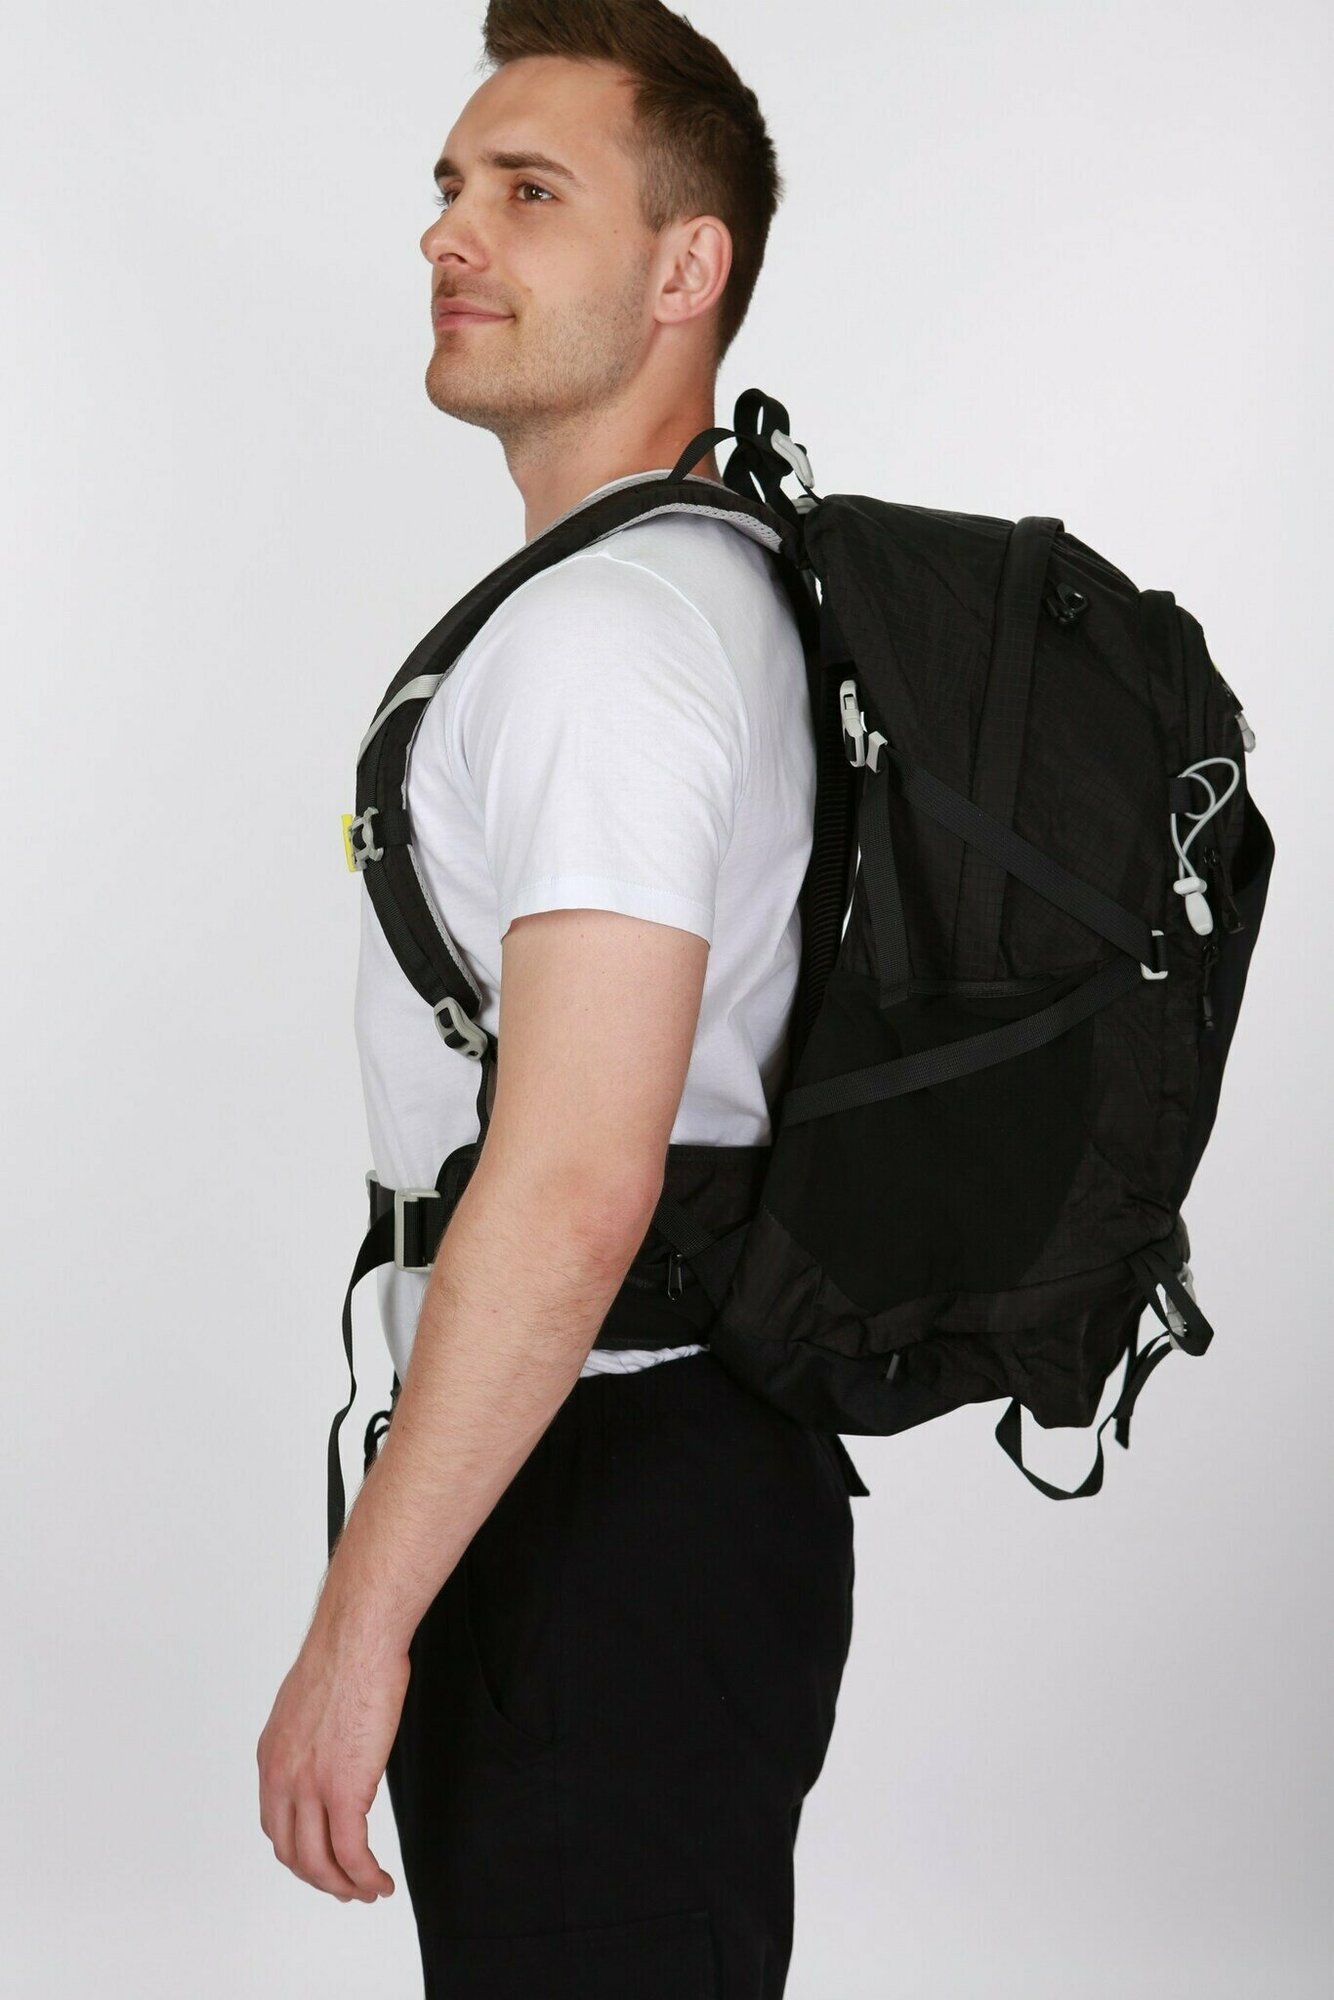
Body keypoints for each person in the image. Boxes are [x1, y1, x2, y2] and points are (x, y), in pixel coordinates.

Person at [258, 5, 858, 1992]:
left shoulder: (605, 641)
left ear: (688, 270)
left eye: (530, 193)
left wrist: (360, 1625)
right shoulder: (719, 583)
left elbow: (582, 1174)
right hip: (669, 1461)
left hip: (597, 1481)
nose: (451, 233)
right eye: (451, 186)